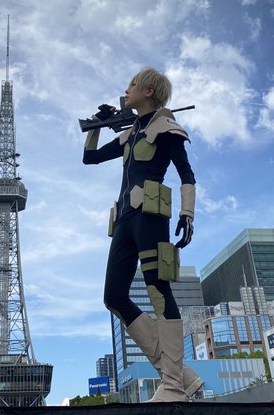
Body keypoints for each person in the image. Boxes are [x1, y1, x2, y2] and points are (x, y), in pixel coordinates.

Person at [83, 67, 202, 402]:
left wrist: (188, 213)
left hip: (151, 216)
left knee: (158, 292)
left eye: (132, 84)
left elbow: (187, 174)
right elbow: (89, 158)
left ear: (149, 91)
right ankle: (180, 377)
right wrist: (96, 125)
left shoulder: (166, 129)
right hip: (123, 220)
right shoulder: (130, 134)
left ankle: (173, 386)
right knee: (113, 297)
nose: (127, 89)